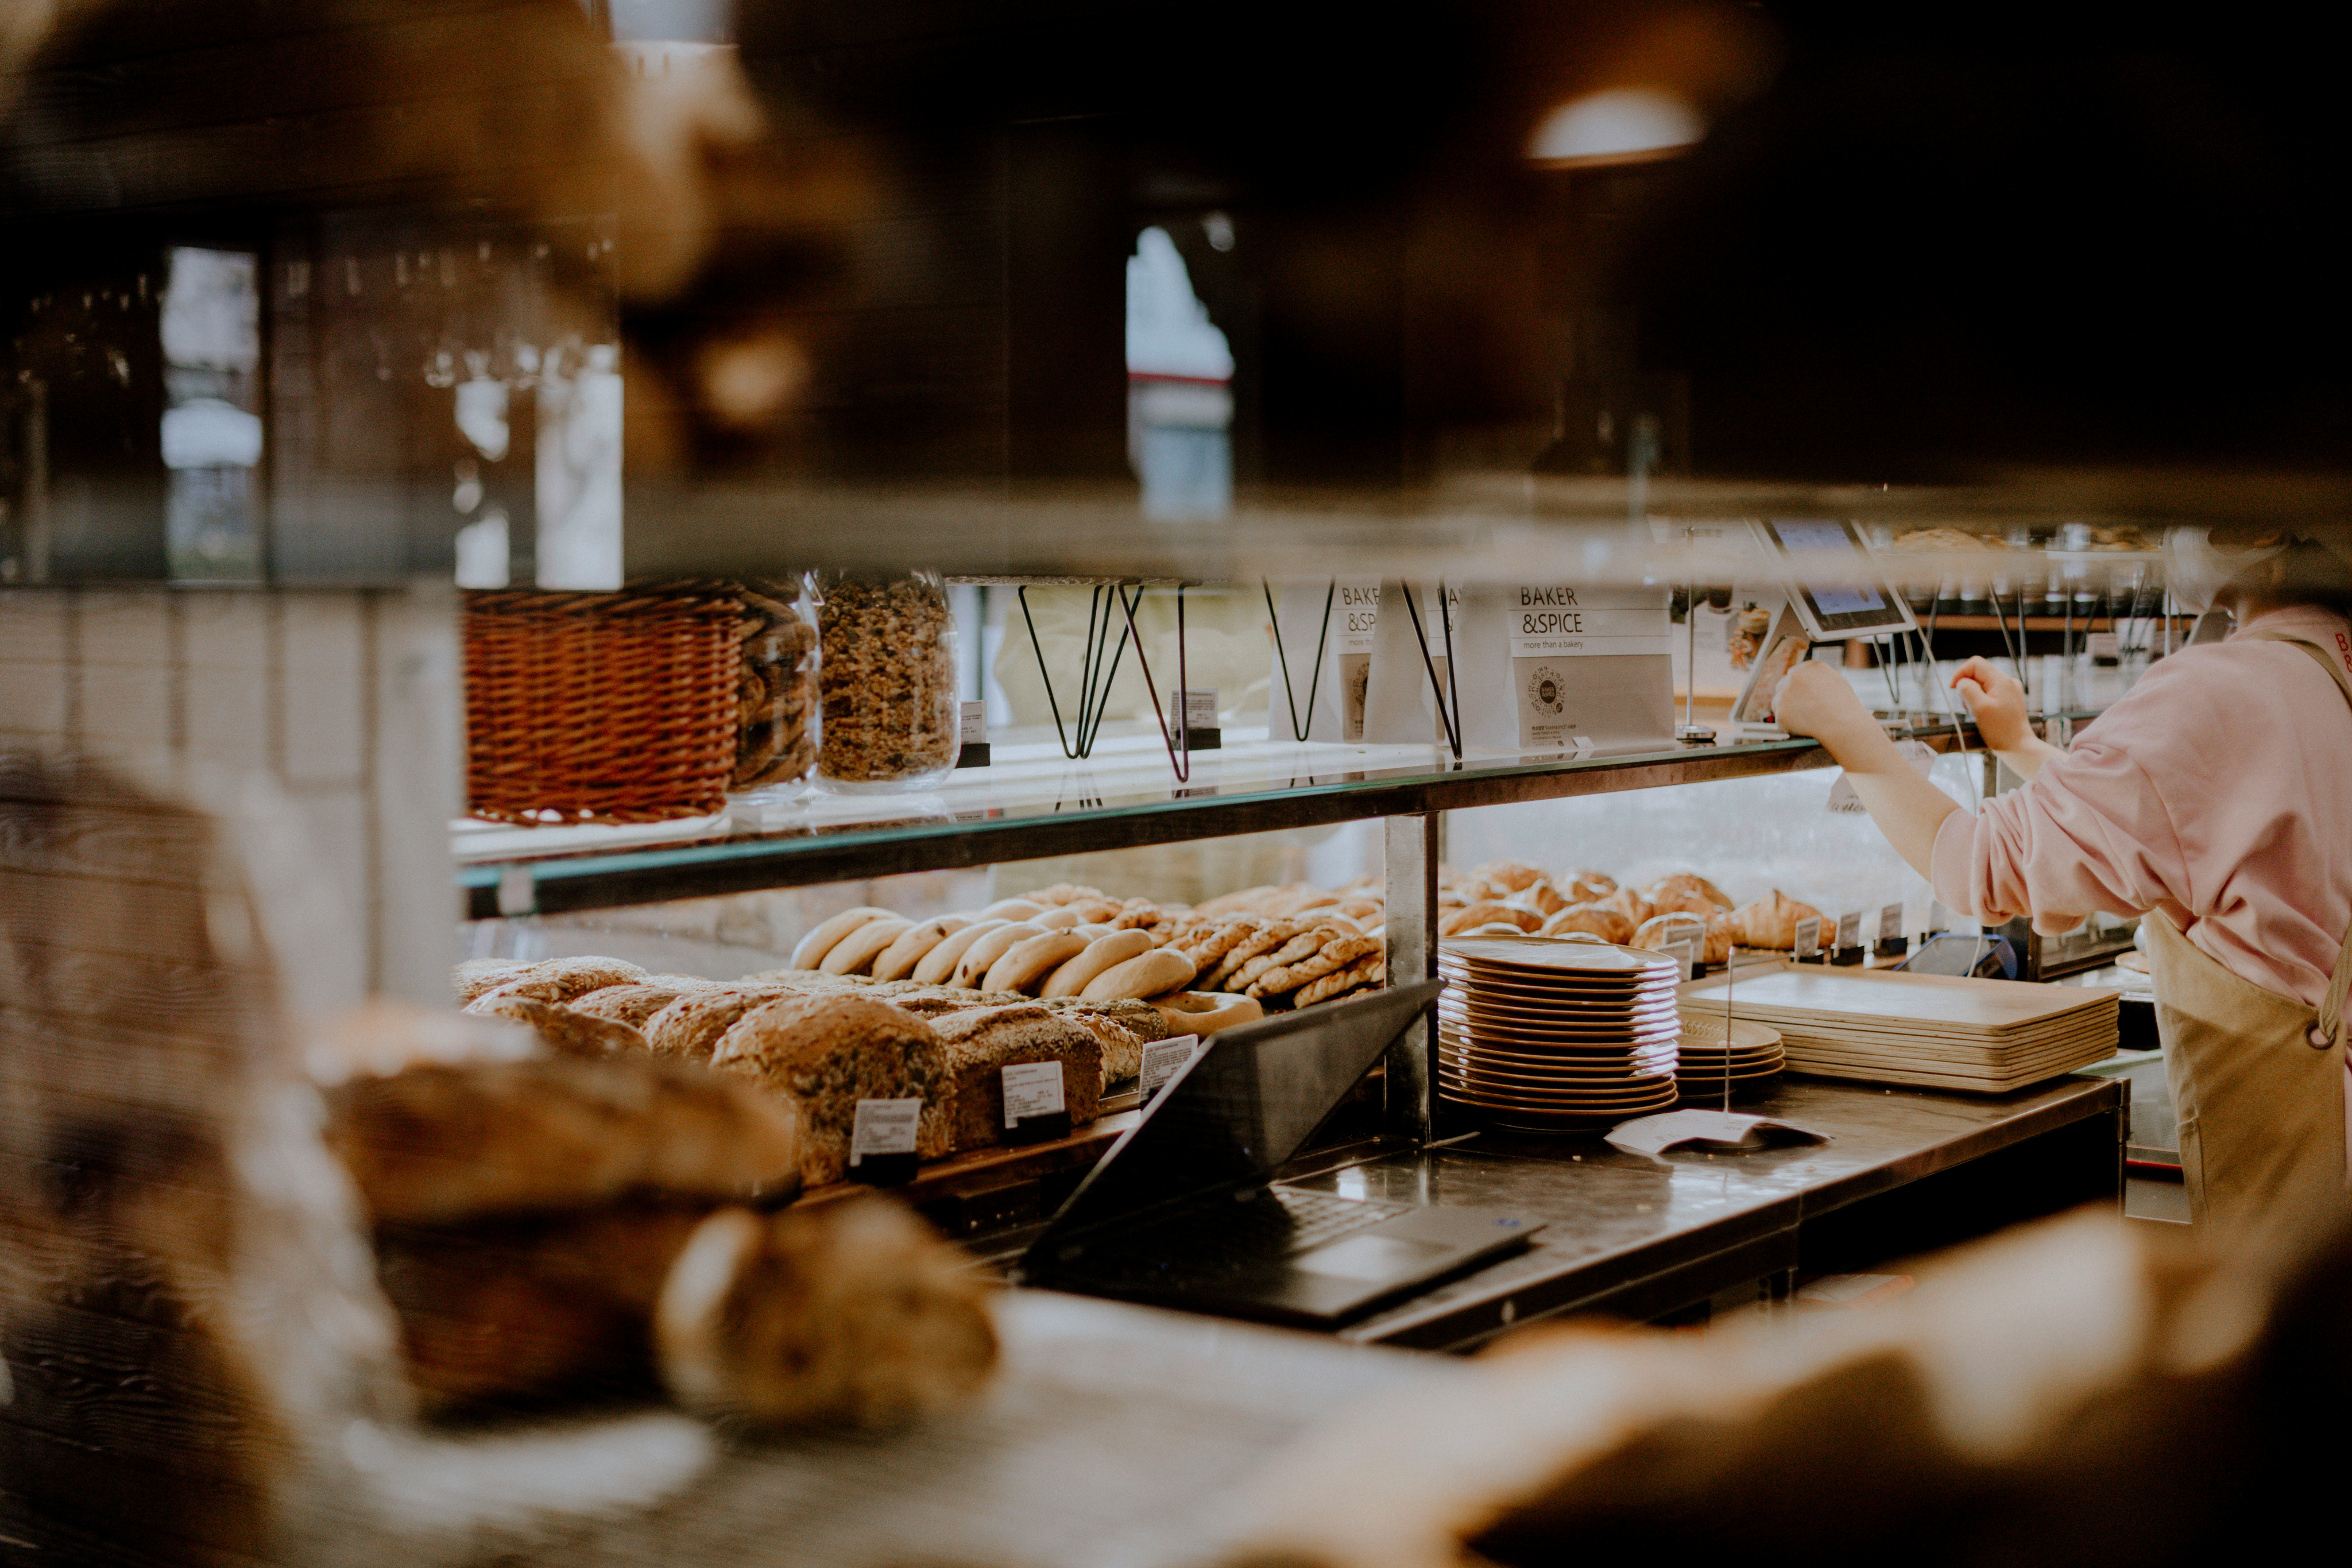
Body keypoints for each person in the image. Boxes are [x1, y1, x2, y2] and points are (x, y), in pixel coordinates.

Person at [1771, 529, 2352, 1251]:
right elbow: (2193, 823)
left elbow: (1983, 867)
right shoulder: (2326, 668)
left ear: (2264, 539)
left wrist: (1843, 724)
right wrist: (2020, 746)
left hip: (2304, 1179)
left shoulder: (2225, 686)